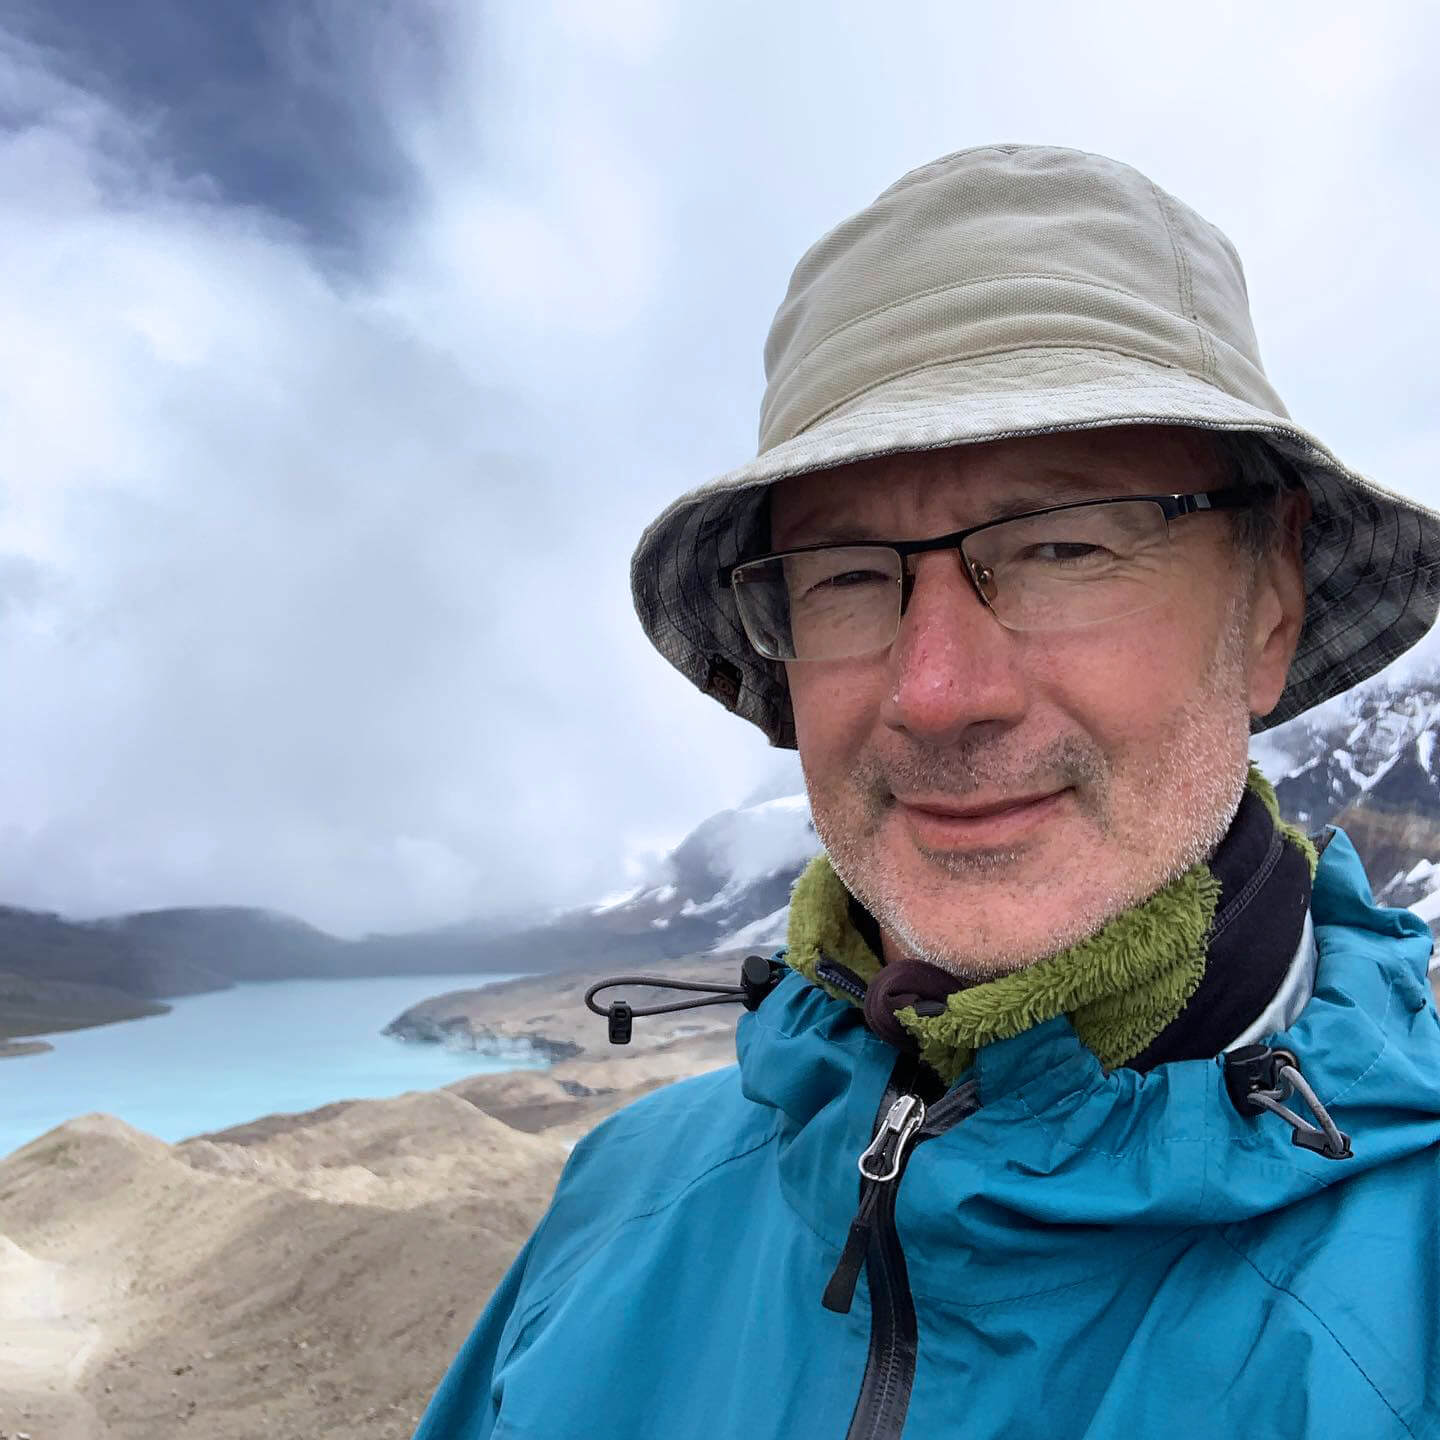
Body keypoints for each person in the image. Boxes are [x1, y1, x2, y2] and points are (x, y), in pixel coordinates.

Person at [414, 146, 1440, 1439]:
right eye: (845, 575)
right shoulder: (621, 1200)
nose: (940, 690)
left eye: (1065, 545)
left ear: (1270, 602)